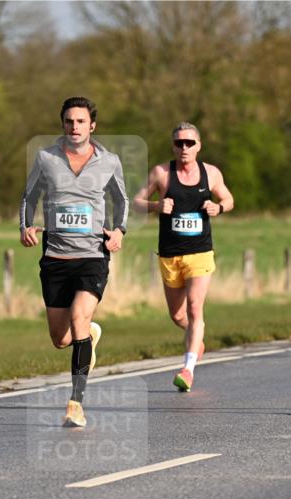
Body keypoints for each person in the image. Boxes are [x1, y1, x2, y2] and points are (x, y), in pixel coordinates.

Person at [20, 96, 128, 427]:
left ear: (92, 125)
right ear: (63, 124)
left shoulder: (109, 161)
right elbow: (29, 196)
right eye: (69, 121)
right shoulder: (46, 158)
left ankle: (75, 403)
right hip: (55, 256)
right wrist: (25, 226)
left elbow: (121, 200)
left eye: (81, 121)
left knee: (79, 317)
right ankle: (89, 337)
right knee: (61, 339)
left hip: (92, 256)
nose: (75, 126)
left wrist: (119, 231)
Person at [133, 122, 234, 391]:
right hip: (169, 255)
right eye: (179, 143)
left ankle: (188, 370)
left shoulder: (210, 173)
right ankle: (196, 336)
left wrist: (219, 207)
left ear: (199, 146)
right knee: (178, 316)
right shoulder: (161, 173)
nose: (184, 148)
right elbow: (136, 202)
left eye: (190, 143)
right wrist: (156, 205)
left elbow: (229, 199)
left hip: (200, 253)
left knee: (194, 307)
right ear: (173, 146)